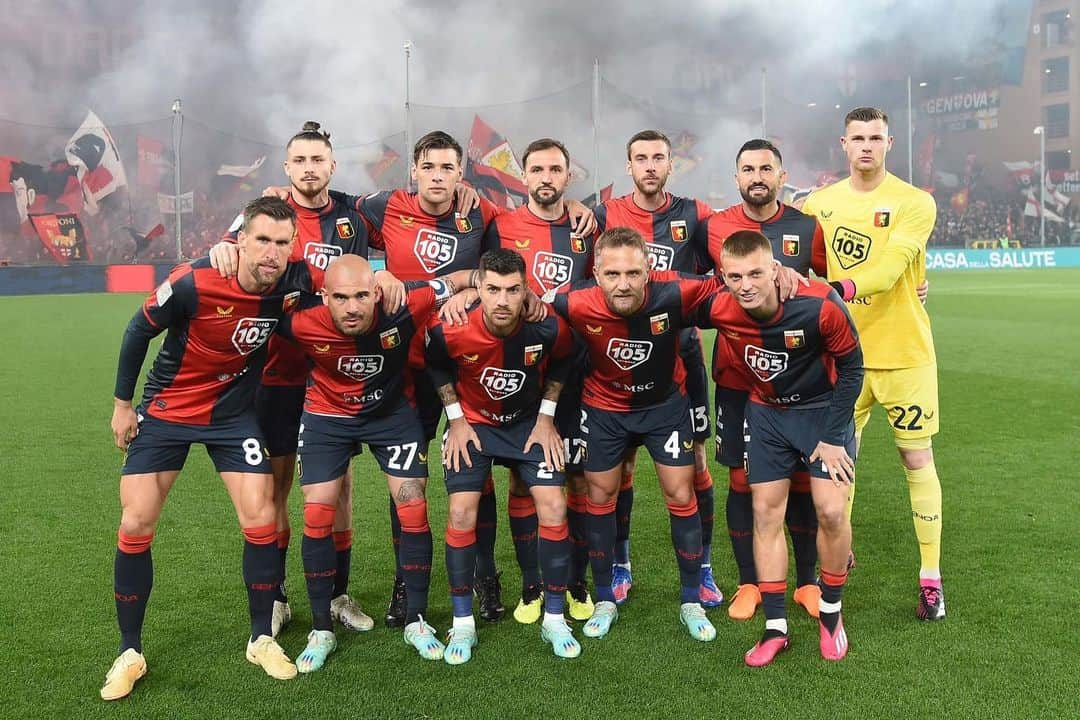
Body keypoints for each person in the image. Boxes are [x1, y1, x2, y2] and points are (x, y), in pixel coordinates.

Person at [330, 131, 596, 625]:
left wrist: (575, 206)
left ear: (461, 173)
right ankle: (404, 586)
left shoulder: (483, 213)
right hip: (404, 366)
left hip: (468, 365)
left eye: (447, 168)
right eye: (428, 166)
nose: (437, 176)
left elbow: (528, 228)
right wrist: (377, 271)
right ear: (413, 170)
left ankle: (485, 575)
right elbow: (333, 205)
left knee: (478, 472)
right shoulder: (384, 205)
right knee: (406, 481)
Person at [101, 197, 318, 700]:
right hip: (168, 411)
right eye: (262, 239)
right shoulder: (193, 280)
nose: (272, 252)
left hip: (232, 416)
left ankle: (261, 637)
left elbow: (343, 285)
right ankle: (130, 651)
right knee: (136, 522)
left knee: (262, 517)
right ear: (240, 237)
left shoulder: (295, 281)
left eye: (282, 243)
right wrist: (121, 405)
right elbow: (138, 330)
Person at [212, 121, 378, 637]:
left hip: (332, 376)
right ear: (286, 168)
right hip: (278, 375)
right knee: (279, 487)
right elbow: (231, 244)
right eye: (299, 161)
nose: (309, 169)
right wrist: (220, 245)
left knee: (339, 488)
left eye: (318, 160)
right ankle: (280, 595)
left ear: (332, 166)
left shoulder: (355, 216)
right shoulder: (269, 214)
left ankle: (338, 594)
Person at [276, 255, 475, 671]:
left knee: (413, 506)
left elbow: (460, 279)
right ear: (325, 296)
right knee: (317, 512)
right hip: (327, 417)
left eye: (363, 296)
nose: (353, 307)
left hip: (391, 415)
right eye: (342, 298)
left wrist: (474, 287)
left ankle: (417, 621)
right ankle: (321, 628)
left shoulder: (406, 301)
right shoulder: (300, 320)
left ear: (377, 292)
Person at [690, 230, 862, 666]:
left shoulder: (819, 304)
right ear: (722, 276)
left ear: (775, 270)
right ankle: (776, 627)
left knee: (831, 510)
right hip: (765, 414)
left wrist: (832, 434)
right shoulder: (717, 304)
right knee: (765, 512)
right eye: (734, 276)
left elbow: (853, 368)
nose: (745, 285)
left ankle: (831, 616)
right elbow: (661, 291)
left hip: (821, 414)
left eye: (755, 274)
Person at [801, 107, 945, 621]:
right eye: (857, 137)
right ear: (843, 143)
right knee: (840, 459)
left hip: (904, 354)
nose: (866, 146)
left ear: (890, 143)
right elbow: (804, 263)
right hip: (844, 356)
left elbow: (887, 269)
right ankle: (839, 555)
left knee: (916, 459)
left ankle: (931, 575)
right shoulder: (819, 204)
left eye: (875, 138)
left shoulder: (914, 202)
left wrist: (835, 290)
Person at [550, 227, 718, 643]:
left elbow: (732, 280)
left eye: (632, 273)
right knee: (601, 496)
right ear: (596, 272)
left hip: (665, 408)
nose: (622, 284)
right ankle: (605, 597)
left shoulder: (676, 291)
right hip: (605, 411)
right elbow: (524, 313)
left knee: (681, 495)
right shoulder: (571, 301)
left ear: (649, 271)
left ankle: (690, 600)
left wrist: (780, 272)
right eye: (612, 274)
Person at [426, 248, 580, 663]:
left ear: (526, 289)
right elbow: (435, 363)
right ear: (478, 287)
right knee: (461, 513)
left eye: (512, 290)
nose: (502, 300)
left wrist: (547, 418)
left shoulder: (546, 326)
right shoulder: (453, 326)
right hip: (474, 425)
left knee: (554, 506)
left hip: (528, 425)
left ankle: (553, 616)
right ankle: (462, 623)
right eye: (492, 289)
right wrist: (455, 420)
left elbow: (566, 360)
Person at [592, 130, 719, 607]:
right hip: (617, 356)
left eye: (658, 158)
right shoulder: (603, 214)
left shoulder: (697, 215)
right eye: (640, 158)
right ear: (628, 167)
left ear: (671, 164)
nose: (649, 165)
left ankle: (702, 567)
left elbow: (727, 267)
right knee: (620, 467)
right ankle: (621, 561)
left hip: (681, 357)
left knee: (696, 465)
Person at [704, 139, 827, 620]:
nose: (757, 176)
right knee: (741, 480)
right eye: (748, 169)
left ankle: (807, 583)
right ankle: (749, 584)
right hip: (738, 376)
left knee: (799, 482)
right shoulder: (714, 226)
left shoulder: (805, 227)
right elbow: (694, 283)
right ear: (736, 177)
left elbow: (829, 289)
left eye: (766, 168)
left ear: (782, 174)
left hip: (799, 381)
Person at [479, 138, 595, 624]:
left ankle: (575, 578)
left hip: (579, 369)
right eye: (537, 169)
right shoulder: (500, 226)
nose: (546, 177)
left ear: (569, 177)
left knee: (579, 478)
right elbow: (480, 279)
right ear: (523, 177)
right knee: (524, 483)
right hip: (522, 374)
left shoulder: (590, 225)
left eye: (555, 169)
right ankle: (532, 584)